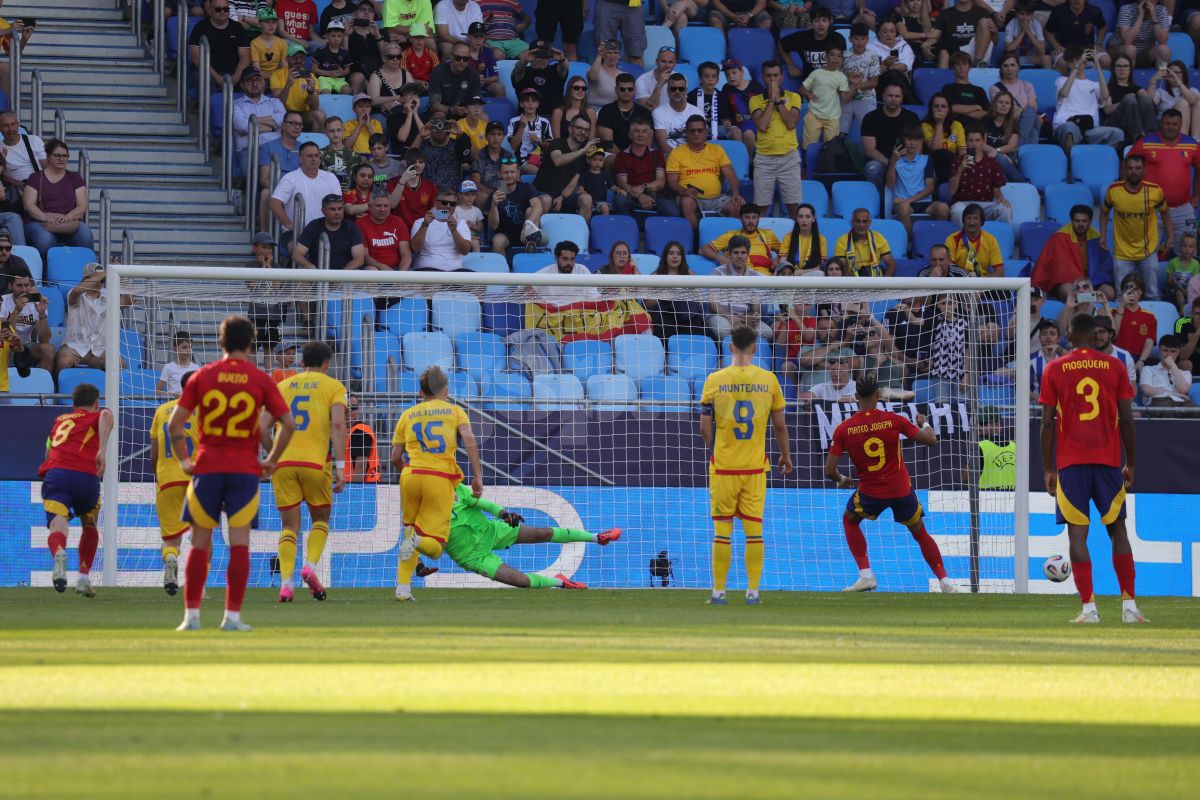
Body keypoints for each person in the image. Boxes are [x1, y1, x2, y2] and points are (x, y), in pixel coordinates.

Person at [168, 316, 294, 631]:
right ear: (251, 344)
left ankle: (191, 617)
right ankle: (232, 618)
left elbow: (174, 425)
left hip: (207, 468)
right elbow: (288, 423)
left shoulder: (202, 376)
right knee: (240, 544)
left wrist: (184, 461)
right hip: (243, 471)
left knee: (199, 543)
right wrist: (272, 459)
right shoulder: (260, 379)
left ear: (220, 342)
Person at [1038, 313, 1142, 623]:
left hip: (1071, 463)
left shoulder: (1055, 368)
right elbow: (1127, 419)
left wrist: (1047, 469)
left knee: (1077, 535)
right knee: (1118, 529)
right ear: (1095, 336)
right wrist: (1131, 462)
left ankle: (1089, 610)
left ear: (1069, 335)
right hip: (1108, 461)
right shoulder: (1115, 366)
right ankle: (1129, 608)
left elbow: (1047, 423)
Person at [825, 374, 956, 593]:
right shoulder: (894, 420)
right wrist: (924, 423)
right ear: (878, 394)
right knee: (920, 532)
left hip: (871, 492)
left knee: (850, 520)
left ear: (856, 396)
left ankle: (866, 575)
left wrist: (842, 479)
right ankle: (945, 580)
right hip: (900, 490)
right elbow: (931, 440)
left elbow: (829, 471)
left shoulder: (844, 429)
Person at [699, 325, 792, 605]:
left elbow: (704, 427)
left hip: (724, 468)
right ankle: (753, 592)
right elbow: (780, 426)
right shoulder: (769, 379)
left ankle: (719, 592)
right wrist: (786, 456)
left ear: (730, 347)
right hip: (754, 469)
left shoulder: (715, 379)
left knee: (722, 532)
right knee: (754, 531)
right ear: (754, 348)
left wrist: (715, 451)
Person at [391, 364, 484, 601]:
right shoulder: (454, 411)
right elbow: (469, 439)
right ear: (446, 389)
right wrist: (477, 476)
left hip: (410, 476)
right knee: (435, 546)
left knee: (411, 531)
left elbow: (394, 457)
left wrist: (409, 473)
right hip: (439, 478)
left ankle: (403, 589)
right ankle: (415, 543)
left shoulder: (407, 414)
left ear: (421, 392)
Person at [266, 341, 348, 603]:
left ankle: (286, 584)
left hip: (283, 464)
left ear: (301, 363)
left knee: (289, 526)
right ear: (327, 364)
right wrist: (340, 467)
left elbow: (260, 426)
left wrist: (272, 456)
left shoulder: (282, 386)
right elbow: (338, 425)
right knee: (320, 520)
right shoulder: (334, 387)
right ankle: (310, 567)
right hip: (315, 463)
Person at [443, 479, 618, 590]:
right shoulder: (426, 513)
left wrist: (504, 514)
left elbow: (484, 504)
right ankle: (561, 583)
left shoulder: (453, 487)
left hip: (492, 531)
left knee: (543, 533)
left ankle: (597, 537)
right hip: (473, 557)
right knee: (522, 581)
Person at [39, 383, 113, 597]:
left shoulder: (59, 421)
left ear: (73, 404)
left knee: (57, 523)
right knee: (89, 523)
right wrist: (102, 451)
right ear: (96, 403)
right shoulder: (97, 415)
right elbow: (107, 415)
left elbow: (47, 453)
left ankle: (59, 551)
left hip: (57, 475)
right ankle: (83, 577)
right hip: (85, 477)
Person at [148, 369, 200, 596]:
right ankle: (198, 585)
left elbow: (153, 454)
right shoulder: (205, 412)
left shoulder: (161, 410)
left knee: (171, 540)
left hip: (167, 479)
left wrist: (158, 477)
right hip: (196, 480)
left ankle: (171, 558)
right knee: (202, 534)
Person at [1128, 110, 1200, 253]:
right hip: (1152, 209)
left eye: (1175, 124)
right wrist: (1130, 192)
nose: (1171, 127)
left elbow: (1199, 169)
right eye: (1167, 123)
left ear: (1181, 125)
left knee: (1187, 254)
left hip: (1183, 209)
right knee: (1147, 253)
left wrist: (1196, 196)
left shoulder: (1191, 144)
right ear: (1161, 123)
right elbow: (1127, 164)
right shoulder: (1146, 143)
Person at [1100, 154, 1169, 298]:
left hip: (1148, 250)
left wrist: (1172, 236)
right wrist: (1103, 237)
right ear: (1125, 170)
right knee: (1122, 295)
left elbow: (1165, 212)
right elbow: (1104, 212)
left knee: (1152, 294)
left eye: (1138, 168)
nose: (1134, 172)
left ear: (1144, 170)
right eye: (1130, 168)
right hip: (1122, 252)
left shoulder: (1155, 190)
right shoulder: (1114, 190)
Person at [665, 115, 744, 230]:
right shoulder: (677, 152)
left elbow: (731, 175)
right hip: (691, 197)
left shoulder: (717, 150)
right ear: (687, 133)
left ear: (706, 132)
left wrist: (736, 194)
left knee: (737, 206)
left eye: (700, 130)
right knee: (687, 203)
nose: (696, 133)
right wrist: (685, 191)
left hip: (716, 197)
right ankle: (698, 237)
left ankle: (725, 237)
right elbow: (671, 182)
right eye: (692, 131)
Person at [21, 139, 93, 259]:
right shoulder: (35, 177)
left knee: (85, 234)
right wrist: (46, 218)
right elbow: (28, 205)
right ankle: (44, 271)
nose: (61, 159)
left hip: (67, 222)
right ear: (48, 157)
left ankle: (86, 270)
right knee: (45, 239)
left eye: (65, 156)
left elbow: (82, 206)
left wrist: (68, 217)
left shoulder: (75, 178)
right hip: (38, 222)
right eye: (57, 155)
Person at [749, 61, 804, 217]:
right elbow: (762, 125)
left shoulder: (794, 97)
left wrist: (779, 101)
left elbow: (791, 123)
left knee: (793, 207)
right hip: (764, 159)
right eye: (768, 76)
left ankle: (794, 233)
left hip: (789, 158)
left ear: (782, 77)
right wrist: (771, 101)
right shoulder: (755, 100)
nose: (772, 79)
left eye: (775, 75)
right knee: (761, 207)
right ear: (763, 78)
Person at [56, 262, 129, 373]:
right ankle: (59, 384)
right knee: (63, 361)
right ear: (85, 279)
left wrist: (122, 276)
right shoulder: (76, 293)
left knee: (120, 365)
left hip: (101, 348)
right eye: (97, 278)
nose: (100, 282)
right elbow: (77, 290)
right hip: (76, 345)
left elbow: (128, 301)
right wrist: (106, 273)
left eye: (103, 280)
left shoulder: (109, 296)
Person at [1033, 204, 1116, 300]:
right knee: (1067, 290)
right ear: (1071, 221)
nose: (1080, 224)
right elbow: (1047, 265)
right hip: (1070, 283)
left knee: (1109, 292)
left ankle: (1083, 299)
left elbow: (1103, 268)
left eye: (1084, 221)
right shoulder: (1059, 237)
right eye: (1077, 221)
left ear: (1090, 222)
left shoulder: (1096, 238)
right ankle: (1088, 299)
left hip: (1091, 282)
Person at [1054, 45, 1124, 154]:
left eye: (1079, 60)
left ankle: (1100, 160)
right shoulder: (1061, 80)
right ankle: (1074, 161)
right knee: (1069, 129)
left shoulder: (1094, 85)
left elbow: (1105, 96)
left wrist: (1097, 65)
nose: (1076, 63)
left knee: (1117, 134)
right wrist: (1077, 66)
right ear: (1067, 63)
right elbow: (1064, 93)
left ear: (1085, 62)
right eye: (1072, 61)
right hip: (1067, 123)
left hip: (1090, 129)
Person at [270, 141, 344, 242]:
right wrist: (289, 225)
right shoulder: (290, 178)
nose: (314, 159)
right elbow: (275, 202)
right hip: (295, 234)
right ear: (300, 158)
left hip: (326, 232)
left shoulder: (331, 178)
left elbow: (339, 205)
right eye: (309, 156)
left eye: (316, 155)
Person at [708, 236, 774, 340]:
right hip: (721, 315)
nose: (739, 256)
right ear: (729, 254)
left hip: (745, 316)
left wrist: (755, 315)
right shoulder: (717, 272)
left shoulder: (754, 275)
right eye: (736, 252)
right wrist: (730, 317)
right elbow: (713, 303)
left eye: (743, 253)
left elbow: (756, 303)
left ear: (748, 254)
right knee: (724, 331)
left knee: (767, 332)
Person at [888, 125, 949, 236]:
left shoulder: (926, 159)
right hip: (904, 204)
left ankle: (935, 239)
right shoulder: (895, 160)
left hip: (924, 203)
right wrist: (893, 162)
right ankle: (912, 242)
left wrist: (909, 200)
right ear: (903, 140)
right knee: (903, 208)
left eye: (916, 140)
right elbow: (889, 184)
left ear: (920, 141)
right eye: (909, 139)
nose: (912, 143)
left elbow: (930, 188)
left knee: (943, 208)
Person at [533, 116, 600, 216]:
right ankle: (537, 227)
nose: (583, 132)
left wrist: (562, 197)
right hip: (543, 192)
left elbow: (574, 181)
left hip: (565, 197)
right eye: (579, 128)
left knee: (586, 199)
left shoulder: (584, 155)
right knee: (546, 199)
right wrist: (582, 151)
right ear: (570, 129)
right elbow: (558, 160)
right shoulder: (556, 143)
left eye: (586, 130)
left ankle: (583, 227)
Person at [861, 84, 922, 188]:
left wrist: (905, 164)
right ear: (883, 96)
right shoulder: (870, 118)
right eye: (890, 95)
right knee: (872, 169)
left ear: (902, 98)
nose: (893, 99)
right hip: (881, 161)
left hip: (906, 161)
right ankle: (879, 197)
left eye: (897, 96)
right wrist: (891, 163)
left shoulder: (912, 117)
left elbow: (918, 146)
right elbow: (869, 150)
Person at [613, 119, 677, 216]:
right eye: (637, 131)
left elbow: (660, 183)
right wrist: (640, 196)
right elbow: (622, 183)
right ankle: (627, 225)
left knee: (673, 211)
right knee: (620, 200)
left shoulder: (657, 155)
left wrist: (644, 187)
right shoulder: (621, 156)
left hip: (655, 195)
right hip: (631, 195)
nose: (641, 135)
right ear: (630, 135)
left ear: (649, 134)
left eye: (644, 131)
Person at [949, 128, 1012, 225]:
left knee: (1005, 209)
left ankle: (996, 235)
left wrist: (1001, 200)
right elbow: (952, 191)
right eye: (970, 140)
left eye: (977, 140)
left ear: (983, 141)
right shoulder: (957, 161)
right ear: (966, 141)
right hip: (963, 204)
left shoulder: (992, 163)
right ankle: (962, 235)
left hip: (985, 205)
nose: (974, 143)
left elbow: (997, 192)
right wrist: (960, 170)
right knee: (957, 211)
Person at [645, 241, 707, 340]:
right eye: (671, 253)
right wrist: (664, 295)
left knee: (695, 326)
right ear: (665, 256)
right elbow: (647, 303)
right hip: (665, 313)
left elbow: (699, 302)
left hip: (686, 313)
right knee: (667, 327)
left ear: (682, 257)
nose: (675, 257)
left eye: (678, 254)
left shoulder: (691, 275)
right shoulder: (656, 276)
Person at [700, 202, 782, 276]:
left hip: (764, 279)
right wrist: (720, 258)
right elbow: (703, 250)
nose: (751, 221)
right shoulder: (731, 236)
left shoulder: (767, 234)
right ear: (740, 219)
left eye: (754, 217)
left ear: (758, 218)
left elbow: (785, 251)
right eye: (747, 217)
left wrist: (778, 259)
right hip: (738, 278)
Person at [188, 0, 251, 91]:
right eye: (218, 9)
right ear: (210, 10)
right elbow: (197, 59)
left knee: (251, 78)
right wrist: (218, 78)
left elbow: (245, 57)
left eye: (226, 9)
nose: (222, 12)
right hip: (207, 73)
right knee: (205, 79)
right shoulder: (200, 28)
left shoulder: (237, 27)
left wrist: (236, 78)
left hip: (234, 73)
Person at [292, 193, 367, 270]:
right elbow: (297, 255)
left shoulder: (351, 227)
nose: (337, 213)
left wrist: (342, 274)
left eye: (340, 209)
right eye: (332, 209)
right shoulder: (314, 226)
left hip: (345, 273)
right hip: (317, 272)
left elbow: (359, 260)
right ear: (323, 211)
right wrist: (310, 267)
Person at [799, 46, 855, 147]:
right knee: (809, 146)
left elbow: (845, 100)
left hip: (832, 118)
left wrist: (854, 85)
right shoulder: (816, 73)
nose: (835, 58)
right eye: (832, 55)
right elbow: (802, 89)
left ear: (841, 59)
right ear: (826, 57)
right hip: (814, 114)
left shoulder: (842, 77)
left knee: (831, 148)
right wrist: (809, 94)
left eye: (839, 56)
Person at [233, 68, 286, 173]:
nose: (254, 83)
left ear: (263, 83)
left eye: (258, 80)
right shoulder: (235, 104)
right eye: (250, 80)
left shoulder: (274, 102)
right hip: (249, 150)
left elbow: (283, 121)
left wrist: (253, 120)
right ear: (242, 85)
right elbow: (243, 127)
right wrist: (273, 128)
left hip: (275, 149)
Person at [488, 157, 543, 253]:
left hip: (527, 229)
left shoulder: (526, 187)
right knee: (497, 241)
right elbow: (494, 226)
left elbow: (538, 207)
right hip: (506, 233)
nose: (509, 175)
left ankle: (531, 244)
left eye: (512, 172)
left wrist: (527, 225)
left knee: (530, 210)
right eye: (505, 172)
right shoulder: (496, 194)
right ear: (499, 174)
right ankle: (502, 264)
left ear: (518, 173)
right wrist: (494, 205)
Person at [410, 189, 473, 270]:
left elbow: (465, 251)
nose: (448, 206)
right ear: (435, 203)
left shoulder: (461, 223)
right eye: (444, 202)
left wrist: (454, 230)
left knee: (476, 277)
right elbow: (415, 249)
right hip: (428, 270)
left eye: (452, 204)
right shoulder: (420, 222)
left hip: (454, 271)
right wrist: (424, 225)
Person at [0, 273, 51, 370]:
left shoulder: (36, 302)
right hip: (6, 344)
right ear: (10, 286)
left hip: (26, 345)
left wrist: (42, 315)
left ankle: (43, 378)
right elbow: (5, 335)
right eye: (19, 285)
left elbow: (44, 340)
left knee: (48, 349)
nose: (23, 289)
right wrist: (17, 311)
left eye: (26, 285)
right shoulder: (2, 301)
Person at [779, 6, 847, 79]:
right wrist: (791, 66)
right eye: (817, 21)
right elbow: (781, 44)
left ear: (829, 22)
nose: (821, 24)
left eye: (824, 21)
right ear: (811, 22)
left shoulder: (837, 38)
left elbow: (843, 60)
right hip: (809, 80)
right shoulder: (802, 37)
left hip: (832, 79)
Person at [1046, 0, 1111, 71]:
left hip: (1088, 50)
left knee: (1107, 61)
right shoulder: (1058, 11)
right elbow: (1047, 31)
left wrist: (1099, 44)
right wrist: (1057, 46)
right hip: (1064, 50)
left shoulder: (1094, 11)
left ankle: (1090, 74)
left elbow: (1103, 27)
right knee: (1064, 64)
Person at [992, 53, 1042, 145]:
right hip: (1009, 121)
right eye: (1005, 66)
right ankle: (1024, 148)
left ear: (1018, 67)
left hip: (1027, 118)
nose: (1009, 69)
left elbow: (1033, 106)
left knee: (1030, 114)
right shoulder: (996, 88)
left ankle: (1019, 147)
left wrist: (1020, 110)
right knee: (1034, 126)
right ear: (1001, 69)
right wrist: (1021, 110)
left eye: (1012, 65)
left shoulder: (1027, 85)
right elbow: (1001, 109)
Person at [597, 72, 654, 153]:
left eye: (630, 89)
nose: (626, 92)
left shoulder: (644, 112)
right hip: (613, 155)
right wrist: (624, 158)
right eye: (622, 89)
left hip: (640, 154)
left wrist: (635, 157)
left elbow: (648, 139)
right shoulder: (606, 111)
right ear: (616, 90)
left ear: (634, 90)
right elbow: (607, 143)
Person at [358, 188, 414, 271]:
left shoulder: (398, 221)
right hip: (375, 268)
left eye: (386, 206)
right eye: (378, 206)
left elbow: (406, 254)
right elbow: (365, 256)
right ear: (369, 207)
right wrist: (382, 267)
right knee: (371, 270)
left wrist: (401, 274)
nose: (382, 210)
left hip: (397, 269)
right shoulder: (360, 224)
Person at [271, 44, 325, 130]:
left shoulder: (311, 76)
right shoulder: (277, 75)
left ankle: (313, 139)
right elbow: (277, 105)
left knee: (319, 114)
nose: (298, 60)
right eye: (294, 57)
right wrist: (288, 84)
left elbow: (315, 107)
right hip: (285, 113)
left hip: (303, 114)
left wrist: (311, 92)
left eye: (301, 57)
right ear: (286, 59)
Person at [720, 58, 764, 159]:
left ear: (742, 72)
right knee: (738, 133)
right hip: (737, 124)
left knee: (749, 134)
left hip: (755, 122)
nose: (731, 77)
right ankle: (742, 162)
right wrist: (726, 121)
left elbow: (764, 108)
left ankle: (748, 162)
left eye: (734, 72)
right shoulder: (726, 89)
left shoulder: (756, 86)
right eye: (727, 74)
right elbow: (724, 112)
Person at [1113, 273, 1157, 372]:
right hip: (1117, 358)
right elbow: (1113, 335)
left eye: (1135, 289)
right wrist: (1122, 305)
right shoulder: (1113, 312)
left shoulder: (1150, 317)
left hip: (1138, 359)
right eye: (1127, 288)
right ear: (1122, 292)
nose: (1131, 292)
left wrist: (1141, 361)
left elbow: (1149, 342)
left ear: (1141, 292)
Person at [834, 208, 896, 277]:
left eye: (865, 221)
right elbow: (841, 268)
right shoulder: (842, 241)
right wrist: (853, 283)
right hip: (852, 279)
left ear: (870, 223)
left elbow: (891, 264)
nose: (861, 225)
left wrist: (884, 281)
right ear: (852, 222)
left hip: (876, 279)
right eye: (858, 221)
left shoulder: (879, 238)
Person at [428, 42, 483, 119]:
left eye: (465, 59)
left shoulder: (473, 74)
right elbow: (434, 105)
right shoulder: (438, 72)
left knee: (483, 117)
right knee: (439, 116)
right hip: (445, 112)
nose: (461, 62)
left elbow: (476, 101)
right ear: (451, 56)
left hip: (466, 113)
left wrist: (467, 110)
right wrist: (452, 110)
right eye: (457, 58)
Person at [512, 40, 568, 114]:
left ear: (548, 56)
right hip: (528, 118)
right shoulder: (524, 71)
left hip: (554, 117)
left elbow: (564, 69)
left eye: (543, 55)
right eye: (535, 55)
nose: (539, 59)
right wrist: (525, 60)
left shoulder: (555, 70)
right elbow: (517, 70)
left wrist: (562, 59)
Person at [653, 73, 704, 154]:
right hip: (670, 157)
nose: (677, 92)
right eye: (673, 89)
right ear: (667, 90)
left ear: (686, 90)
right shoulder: (658, 113)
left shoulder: (697, 112)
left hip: (693, 156)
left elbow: (701, 142)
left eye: (681, 89)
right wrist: (681, 158)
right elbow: (663, 145)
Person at [1110, 0, 1170, 68]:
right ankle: (1128, 75)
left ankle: (1162, 73)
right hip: (1121, 49)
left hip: (1146, 51)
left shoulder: (1162, 11)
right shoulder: (1126, 9)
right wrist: (1140, 16)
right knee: (1130, 49)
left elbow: (1163, 41)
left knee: (1164, 50)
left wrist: (1154, 18)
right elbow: (1127, 41)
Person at [936, 0, 995, 68]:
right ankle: (944, 75)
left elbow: (995, 41)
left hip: (976, 51)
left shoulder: (983, 12)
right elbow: (934, 33)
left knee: (984, 22)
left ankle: (976, 62)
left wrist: (995, 33)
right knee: (943, 53)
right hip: (955, 52)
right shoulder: (945, 13)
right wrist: (928, 43)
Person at [922, 93, 966, 184]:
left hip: (953, 163)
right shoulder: (925, 125)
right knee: (941, 154)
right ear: (931, 109)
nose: (939, 109)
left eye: (943, 106)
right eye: (936, 106)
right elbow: (936, 149)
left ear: (948, 110)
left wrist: (962, 166)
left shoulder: (957, 125)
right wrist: (939, 123)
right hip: (933, 162)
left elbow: (962, 151)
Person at [1139, 334, 1194, 406]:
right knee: (1163, 405)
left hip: (1181, 403)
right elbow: (1146, 390)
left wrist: (1172, 365)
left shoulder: (1186, 373)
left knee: (1195, 409)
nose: (1169, 354)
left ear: (1178, 352)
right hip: (1159, 401)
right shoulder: (1148, 369)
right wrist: (1172, 394)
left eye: (1173, 351)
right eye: (1165, 350)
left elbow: (1183, 390)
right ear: (1159, 350)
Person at [507, 88, 554, 173]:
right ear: (521, 104)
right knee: (540, 172)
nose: (530, 103)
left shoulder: (545, 122)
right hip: (522, 161)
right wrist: (522, 126)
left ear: (537, 104)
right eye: (526, 100)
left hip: (541, 159)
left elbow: (550, 147)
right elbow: (513, 145)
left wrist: (540, 141)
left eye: (534, 101)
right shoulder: (514, 121)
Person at [981, 91, 1024, 183]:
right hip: (986, 157)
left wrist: (997, 152)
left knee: (1002, 174)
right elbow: (982, 144)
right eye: (1000, 102)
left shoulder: (1012, 124)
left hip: (1005, 162)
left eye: (1007, 103)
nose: (1003, 105)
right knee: (999, 161)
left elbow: (1012, 146)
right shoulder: (985, 121)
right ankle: (1022, 183)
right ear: (995, 104)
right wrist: (998, 154)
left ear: (1011, 107)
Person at [869, 19, 916, 103]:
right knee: (892, 73)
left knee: (894, 74)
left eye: (892, 31)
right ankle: (911, 101)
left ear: (895, 33)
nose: (889, 34)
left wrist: (885, 67)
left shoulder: (903, 45)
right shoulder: (870, 47)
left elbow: (905, 66)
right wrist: (885, 65)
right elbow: (871, 71)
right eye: (885, 31)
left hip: (900, 80)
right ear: (879, 33)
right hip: (879, 82)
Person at [0, 110, 46, 188]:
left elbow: (46, 166)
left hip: (40, 184)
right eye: (6, 125)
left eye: (13, 124)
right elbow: (3, 175)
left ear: (18, 125)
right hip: (16, 188)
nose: (10, 129)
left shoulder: (34, 140)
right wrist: (20, 184)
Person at [594, 0, 646, 67]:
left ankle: (637, 74)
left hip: (634, 5)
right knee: (605, 53)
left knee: (636, 53)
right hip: (606, 2)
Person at [1093, 313, 1139, 391]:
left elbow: (1132, 389)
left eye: (1101, 332)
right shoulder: (1086, 356)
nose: (1098, 336)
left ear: (1111, 334)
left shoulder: (1124, 357)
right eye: (1094, 333)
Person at [311, 20, 356, 95]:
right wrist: (329, 73)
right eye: (333, 36)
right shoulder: (320, 51)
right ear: (327, 36)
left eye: (339, 36)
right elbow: (314, 69)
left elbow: (348, 69)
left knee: (348, 91)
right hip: (324, 79)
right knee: (325, 93)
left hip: (339, 79)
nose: (336, 39)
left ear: (342, 36)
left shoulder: (344, 52)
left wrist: (343, 72)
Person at [943, 52, 990, 124]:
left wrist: (960, 112)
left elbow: (986, 113)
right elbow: (951, 109)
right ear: (953, 68)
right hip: (954, 126)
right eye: (958, 64)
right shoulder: (948, 88)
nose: (961, 68)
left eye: (964, 64)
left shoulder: (979, 90)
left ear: (970, 67)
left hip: (975, 128)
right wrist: (976, 107)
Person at [1005, 1, 1051, 67]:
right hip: (1015, 58)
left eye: (1028, 14)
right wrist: (1022, 32)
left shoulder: (1036, 25)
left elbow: (1042, 51)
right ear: (1016, 13)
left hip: (1032, 58)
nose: (1025, 18)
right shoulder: (1010, 25)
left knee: (1047, 59)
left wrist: (1028, 32)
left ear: (1032, 15)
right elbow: (1009, 50)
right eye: (1022, 14)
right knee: (1007, 59)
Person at [1029, 319, 1066, 398]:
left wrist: (1059, 349)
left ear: (1058, 338)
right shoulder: (1031, 359)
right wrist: (1035, 397)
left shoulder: (1065, 359)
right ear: (1039, 338)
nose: (1048, 336)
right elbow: (1021, 387)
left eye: (1052, 333)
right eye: (1044, 333)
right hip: (1036, 404)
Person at [1166, 232, 1200, 313]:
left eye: (1190, 247)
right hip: (1174, 288)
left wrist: (1188, 289)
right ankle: (1183, 312)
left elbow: (1195, 281)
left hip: (1189, 288)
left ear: (1194, 249)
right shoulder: (1173, 262)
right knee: (1179, 293)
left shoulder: (1195, 264)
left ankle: (1192, 311)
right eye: (1185, 246)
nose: (1187, 249)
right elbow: (1168, 280)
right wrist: (1172, 281)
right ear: (1180, 247)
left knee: (1193, 292)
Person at [158, 331, 200, 395]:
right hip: (174, 401)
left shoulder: (196, 368)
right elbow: (157, 392)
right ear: (175, 349)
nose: (188, 350)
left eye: (190, 347)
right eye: (184, 347)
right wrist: (172, 394)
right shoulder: (168, 367)